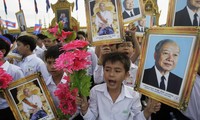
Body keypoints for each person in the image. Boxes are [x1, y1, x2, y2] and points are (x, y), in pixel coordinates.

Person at [76, 52, 161, 120]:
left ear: (126, 75)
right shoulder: (95, 91)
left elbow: (137, 118)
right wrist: (85, 109)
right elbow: (92, 117)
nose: (111, 74)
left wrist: (147, 111)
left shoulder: (133, 95)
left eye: (117, 71)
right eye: (107, 70)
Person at [45, 45, 82, 120]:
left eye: (55, 62)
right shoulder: (44, 84)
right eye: (49, 63)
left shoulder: (72, 82)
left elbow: (78, 107)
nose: (52, 66)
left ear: (63, 62)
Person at [0, 35, 24, 120]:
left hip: (10, 110)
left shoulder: (15, 70)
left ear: (2, 51)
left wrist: (6, 94)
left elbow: (22, 92)